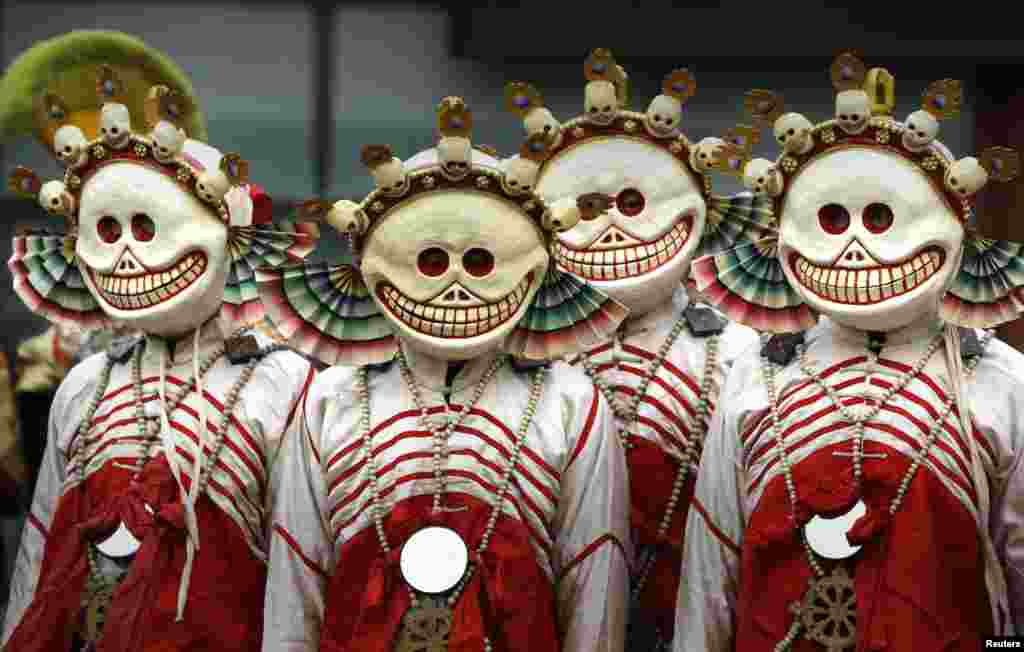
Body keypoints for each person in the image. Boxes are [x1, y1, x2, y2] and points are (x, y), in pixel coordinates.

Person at [678, 52, 1024, 650]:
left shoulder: (1002, 379)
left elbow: (1016, 567)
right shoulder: (754, 373)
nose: (857, 247)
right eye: (832, 218)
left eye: (884, 217)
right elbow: (713, 563)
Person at [258, 96, 630, 651]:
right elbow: (295, 583)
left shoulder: (570, 402)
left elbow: (595, 591)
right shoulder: (330, 399)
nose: (455, 287)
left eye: (481, 262)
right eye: (429, 261)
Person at [0, 30, 318, 652]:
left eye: (146, 225)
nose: (125, 253)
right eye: (108, 228)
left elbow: (299, 565)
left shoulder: (287, 384)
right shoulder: (86, 384)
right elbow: (39, 552)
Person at [501, 49, 767, 651]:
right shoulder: (515, 354)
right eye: (588, 210)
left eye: (632, 204)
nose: (612, 229)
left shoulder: (737, 352)